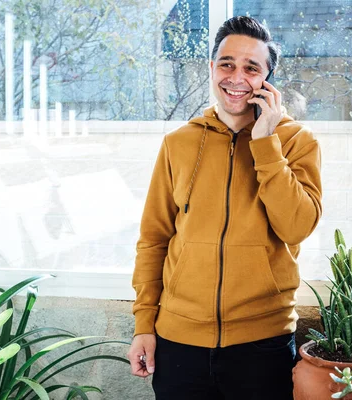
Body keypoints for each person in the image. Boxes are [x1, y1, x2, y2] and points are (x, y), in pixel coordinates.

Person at [127, 16, 322, 400]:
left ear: (268, 81)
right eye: (227, 64)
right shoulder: (178, 143)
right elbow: (154, 240)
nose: (236, 76)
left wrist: (265, 143)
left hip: (262, 344)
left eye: (252, 68)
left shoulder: (297, 141)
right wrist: (144, 325)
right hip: (178, 342)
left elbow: (296, 226)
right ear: (212, 68)